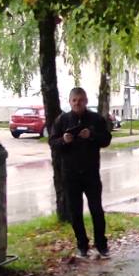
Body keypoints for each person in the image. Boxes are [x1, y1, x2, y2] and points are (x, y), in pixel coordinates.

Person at [52, 87, 113, 259]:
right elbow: (53, 143)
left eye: (81, 100)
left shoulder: (96, 119)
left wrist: (92, 135)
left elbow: (106, 140)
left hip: (91, 173)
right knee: (75, 212)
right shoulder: (62, 120)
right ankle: (82, 246)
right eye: (74, 100)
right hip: (70, 174)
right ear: (70, 102)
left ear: (86, 101)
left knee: (96, 210)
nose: (77, 103)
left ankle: (101, 245)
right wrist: (63, 141)